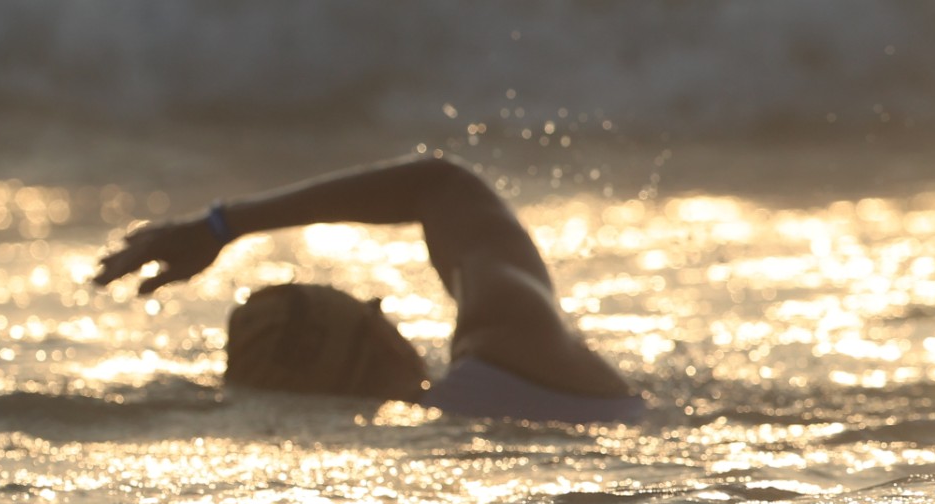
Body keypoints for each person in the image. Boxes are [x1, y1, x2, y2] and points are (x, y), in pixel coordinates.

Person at [92, 155, 646, 424]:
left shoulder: (435, 432)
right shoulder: (509, 340)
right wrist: (222, 226)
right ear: (374, 325)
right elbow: (442, 184)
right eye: (369, 306)